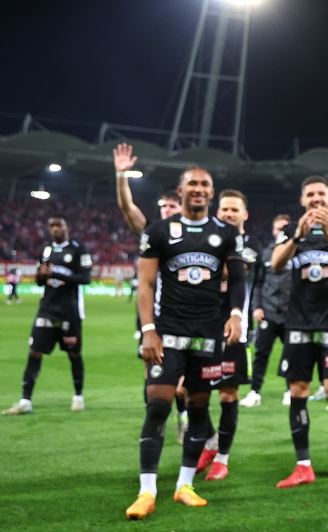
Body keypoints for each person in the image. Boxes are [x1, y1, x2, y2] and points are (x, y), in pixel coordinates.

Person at [125, 167, 247, 519]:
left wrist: (236, 313)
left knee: (197, 407)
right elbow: (145, 284)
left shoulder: (226, 234)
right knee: (159, 405)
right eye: (191, 183)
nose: (197, 189)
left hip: (208, 335)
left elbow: (238, 280)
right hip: (168, 333)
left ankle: (184, 485)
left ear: (212, 192)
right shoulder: (158, 231)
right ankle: (146, 491)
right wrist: (148, 328)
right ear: (180, 190)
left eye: (204, 184)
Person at [270, 175, 328, 488]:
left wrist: (327, 229)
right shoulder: (289, 230)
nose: (316, 198)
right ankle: (303, 465)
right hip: (298, 323)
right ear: (303, 199)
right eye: (310, 194)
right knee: (298, 391)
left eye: (321, 193)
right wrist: (297, 236)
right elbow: (276, 264)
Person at [113, 142, 189, 440]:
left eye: (171, 206)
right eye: (163, 206)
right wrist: (122, 177)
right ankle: (154, 427)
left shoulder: (200, 237)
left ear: (181, 208)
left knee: (182, 384)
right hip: (153, 317)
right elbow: (127, 208)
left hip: (184, 316)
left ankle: (183, 416)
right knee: (151, 376)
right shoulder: (153, 235)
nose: (165, 210)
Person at [195, 189, 260, 481]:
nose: (229, 214)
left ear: (244, 214)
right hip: (200, 327)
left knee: (227, 393)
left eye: (235, 210)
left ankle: (222, 457)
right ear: (216, 211)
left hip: (235, 331)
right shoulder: (205, 240)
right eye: (224, 210)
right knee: (187, 390)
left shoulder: (251, 248)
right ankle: (210, 441)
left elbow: (236, 272)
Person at [2, 215, 92, 416]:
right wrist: (41, 277)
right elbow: (41, 281)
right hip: (47, 309)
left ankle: (78, 397)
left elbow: (85, 278)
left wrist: (56, 275)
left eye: (58, 225)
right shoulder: (46, 250)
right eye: (51, 226)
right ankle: (25, 400)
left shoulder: (79, 249)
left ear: (67, 226)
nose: (55, 229)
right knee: (34, 352)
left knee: (73, 353)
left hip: (70, 311)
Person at [240, 214, 293, 408]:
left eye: (284, 228)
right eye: (277, 228)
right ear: (272, 231)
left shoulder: (298, 252)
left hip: (290, 314)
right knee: (261, 354)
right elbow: (258, 283)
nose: (280, 232)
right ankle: (254, 392)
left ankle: (289, 391)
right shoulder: (266, 252)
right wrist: (257, 307)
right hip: (268, 311)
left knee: (291, 354)